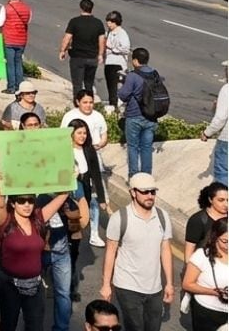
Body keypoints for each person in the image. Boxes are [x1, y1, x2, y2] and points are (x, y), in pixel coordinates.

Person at [0, 174, 69, 331]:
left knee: (35, 326)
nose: (27, 205)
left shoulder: (38, 219)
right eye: (21, 201)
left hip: (35, 285)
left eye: (30, 201)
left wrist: (70, 178)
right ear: (13, 203)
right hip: (9, 285)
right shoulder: (5, 222)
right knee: (8, 324)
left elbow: (62, 197)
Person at [98, 172, 173, 331]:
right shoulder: (120, 218)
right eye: (145, 192)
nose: (150, 196)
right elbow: (110, 252)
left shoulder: (162, 216)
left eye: (153, 192)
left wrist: (170, 284)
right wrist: (106, 285)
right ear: (133, 192)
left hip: (155, 288)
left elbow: (165, 249)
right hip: (127, 286)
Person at [180, 217, 228, 331]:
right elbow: (187, 284)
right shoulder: (202, 256)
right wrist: (214, 292)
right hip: (206, 313)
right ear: (215, 237)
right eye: (225, 241)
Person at [117, 48, 159, 175]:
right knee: (146, 147)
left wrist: (120, 85)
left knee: (133, 147)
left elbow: (123, 95)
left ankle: (134, 175)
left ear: (135, 61)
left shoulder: (133, 76)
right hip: (151, 116)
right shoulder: (155, 73)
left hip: (134, 115)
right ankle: (147, 174)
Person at [59, 0, 105, 101]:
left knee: (77, 83)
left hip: (77, 57)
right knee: (89, 83)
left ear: (81, 7)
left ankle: (78, 103)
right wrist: (100, 54)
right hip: (92, 58)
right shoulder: (98, 23)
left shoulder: (75, 22)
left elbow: (67, 37)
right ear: (91, 9)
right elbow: (101, 40)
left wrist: (63, 50)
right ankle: (89, 102)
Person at [0, 0, 30, 93]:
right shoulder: (27, 8)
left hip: (9, 39)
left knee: (10, 64)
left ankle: (11, 87)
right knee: (18, 62)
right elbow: (28, 20)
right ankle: (20, 86)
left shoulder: (6, 8)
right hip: (22, 40)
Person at [101, 12, 130, 111]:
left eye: (109, 22)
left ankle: (116, 106)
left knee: (116, 87)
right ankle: (112, 104)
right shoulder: (108, 32)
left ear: (115, 22)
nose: (108, 24)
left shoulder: (122, 33)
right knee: (110, 86)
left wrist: (112, 47)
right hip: (108, 62)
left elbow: (126, 48)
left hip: (118, 63)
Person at [200, 80, 226, 186]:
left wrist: (207, 133)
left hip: (227, 140)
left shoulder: (227, 89)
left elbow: (221, 118)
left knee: (223, 175)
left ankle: (223, 200)